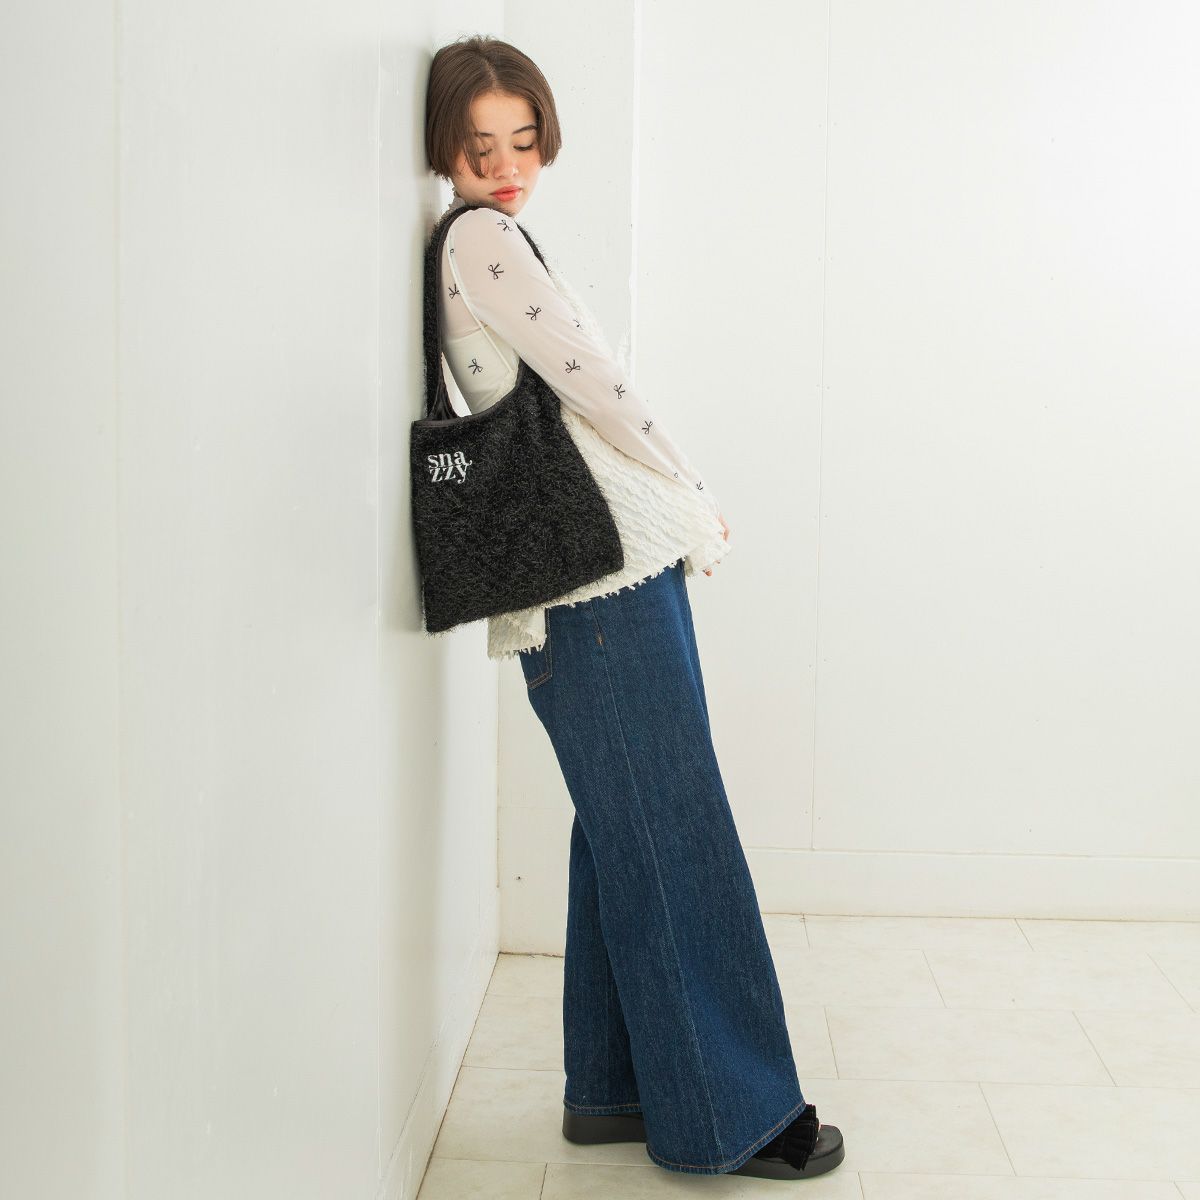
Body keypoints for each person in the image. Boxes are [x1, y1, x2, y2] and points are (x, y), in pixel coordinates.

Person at [423, 34, 845, 1181]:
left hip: (588, 575)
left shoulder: (469, 236)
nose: (506, 167)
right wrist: (692, 486)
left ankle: (612, 1087)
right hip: (599, 575)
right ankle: (734, 1116)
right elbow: (593, 383)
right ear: (444, 148)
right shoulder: (481, 239)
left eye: (523, 141)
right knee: (673, 828)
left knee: (625, 824)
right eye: (479, 145)